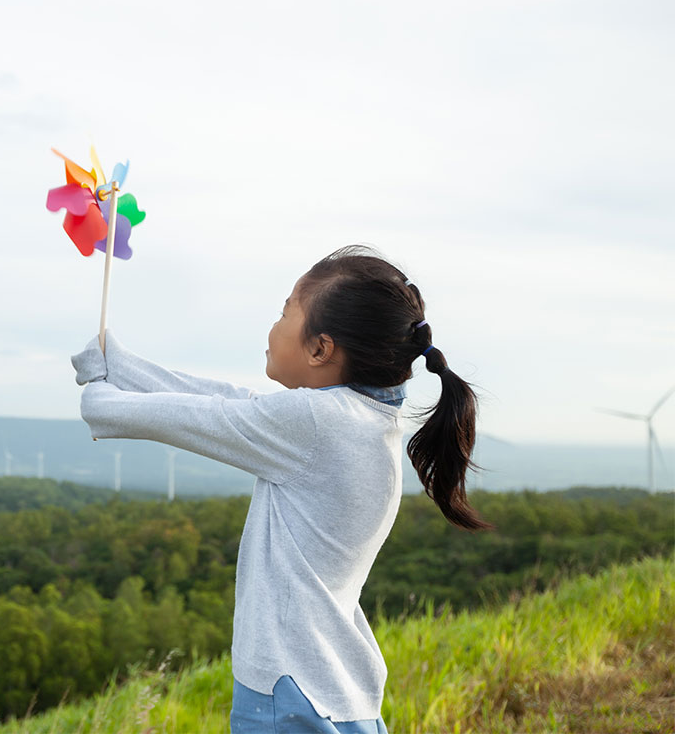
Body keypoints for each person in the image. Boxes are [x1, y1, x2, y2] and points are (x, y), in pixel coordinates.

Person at [71, 244, 494, 733]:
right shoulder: (363, 420)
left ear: (321, 348)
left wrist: (102, 394)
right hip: (335, 690)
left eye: (284, 312)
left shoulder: (317, 423)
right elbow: (234, 403)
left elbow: (179, 416)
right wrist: (119, 367)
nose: (273, 327)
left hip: (288, 696)